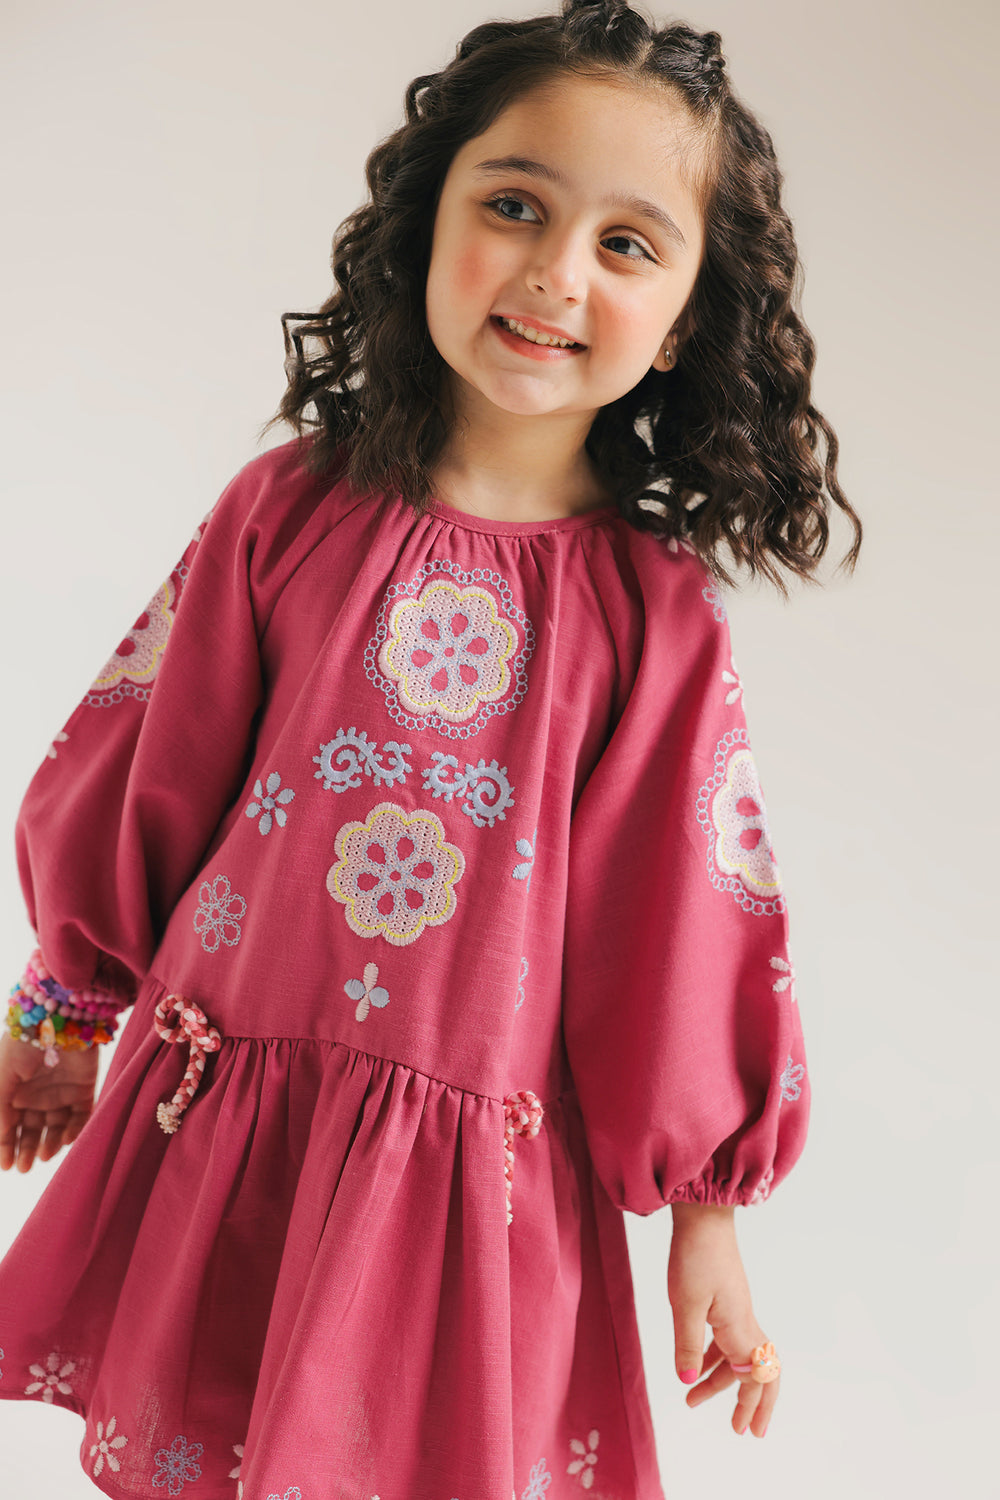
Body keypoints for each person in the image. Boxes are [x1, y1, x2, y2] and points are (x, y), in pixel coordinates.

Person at [0, 2, 861, 1496]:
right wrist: (61, 1021)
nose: (555, 273)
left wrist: (707, 1221)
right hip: (225, 1126)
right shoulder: (286, 513)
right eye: (515, 205)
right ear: (426, 221)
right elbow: (148, 774)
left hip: (461, 1189)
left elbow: (680, 926)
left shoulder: (651, 619)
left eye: (626, 244)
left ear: (685, 321)